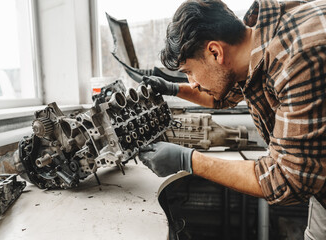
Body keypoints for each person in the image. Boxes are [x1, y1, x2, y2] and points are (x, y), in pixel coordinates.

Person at [138, 0, 326, 239]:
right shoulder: (255, 39)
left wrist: (188, 160)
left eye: (189, 72)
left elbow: (286, 179)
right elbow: (223, 96)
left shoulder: (295, 57)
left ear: (215, 51)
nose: (192, 82)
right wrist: (174, 89)